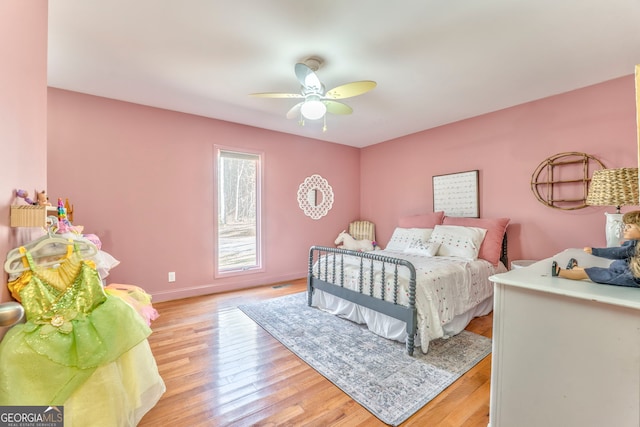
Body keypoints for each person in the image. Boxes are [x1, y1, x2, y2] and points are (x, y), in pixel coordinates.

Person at [551, 210, 640, 288]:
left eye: (629, 227)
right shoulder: (634, 243)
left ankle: (560, 272)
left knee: (594, 273)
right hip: (628, 270)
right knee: (603, 270)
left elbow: (616, 252)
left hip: (632, 277)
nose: (625, 230)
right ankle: (575, 268)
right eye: (625, 226)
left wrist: (596, 251)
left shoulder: (634, 246)